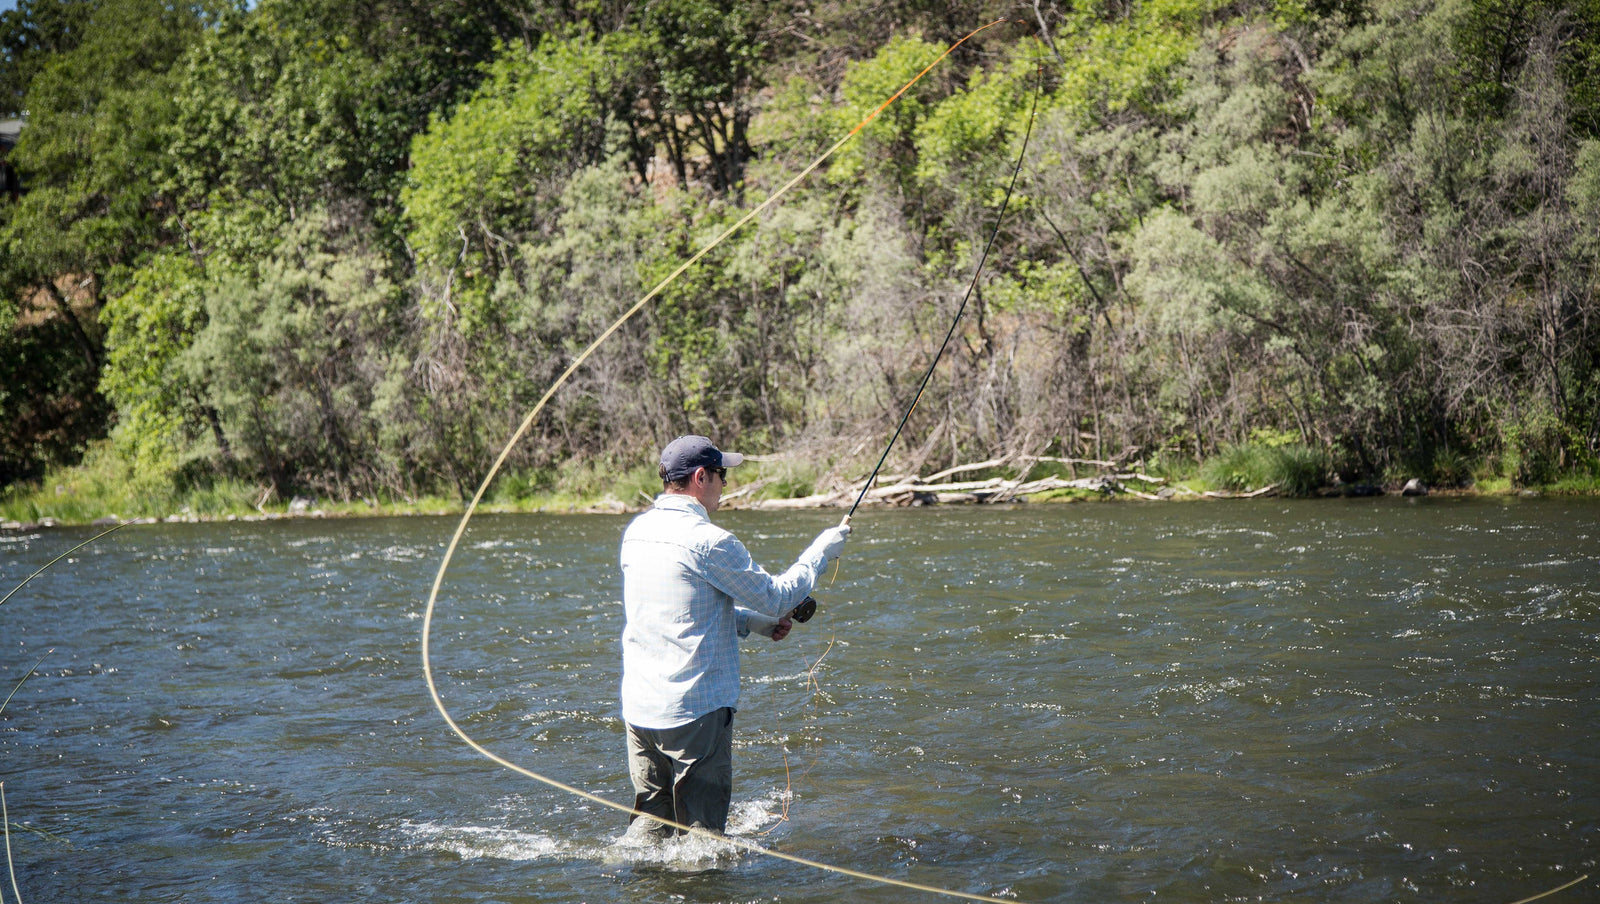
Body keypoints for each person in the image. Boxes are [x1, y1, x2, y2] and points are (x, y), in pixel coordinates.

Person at [618, 434, 851, 840]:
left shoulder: (637, 532)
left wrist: (754, 623)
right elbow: (778, 596)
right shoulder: (710, 541)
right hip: (695, 713)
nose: (725, 484)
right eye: (721, 475)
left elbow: (678, 611)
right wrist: (821, 552)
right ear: (700, 477)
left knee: (649, 831)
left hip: (640, 711)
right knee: (703, 843)